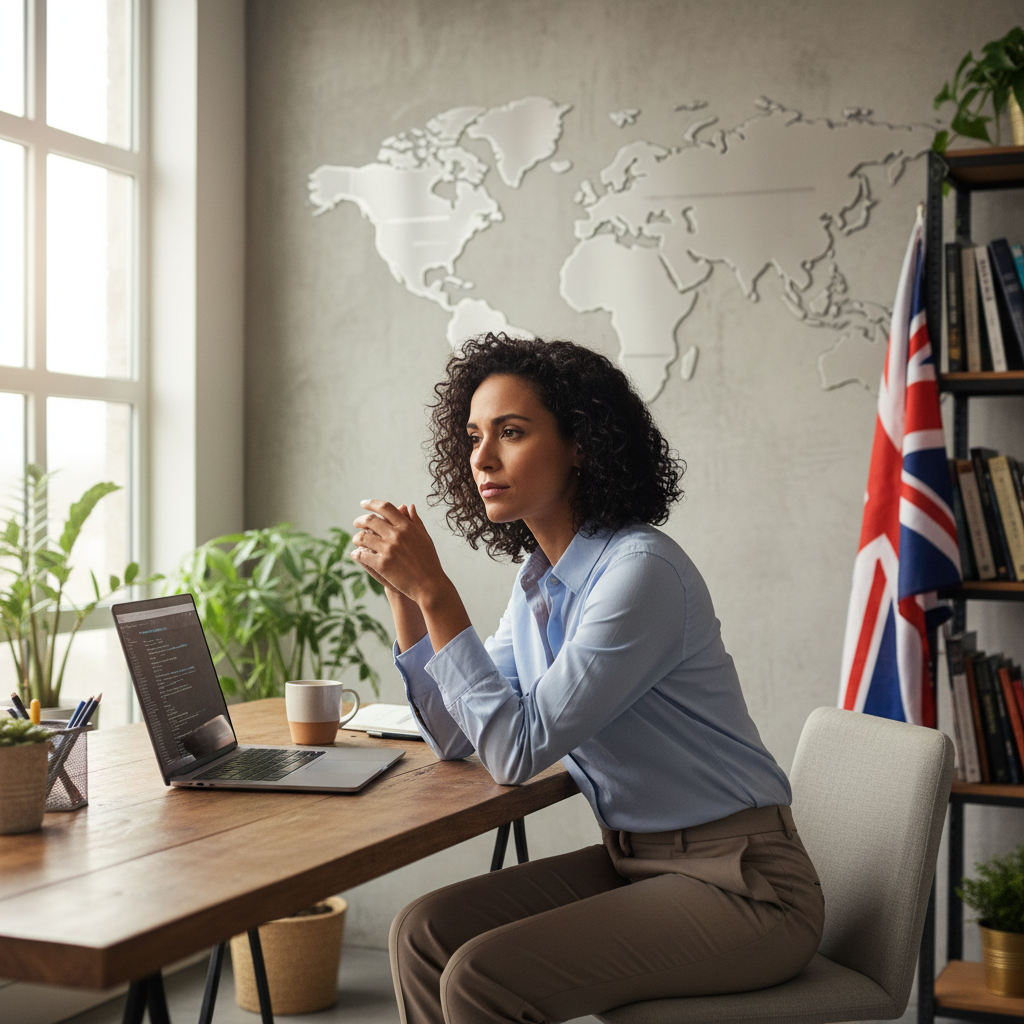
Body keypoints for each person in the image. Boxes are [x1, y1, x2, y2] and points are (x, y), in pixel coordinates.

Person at [351, 334, 823, 1024]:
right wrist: (407, 597)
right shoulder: (538, 581)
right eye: (475, 435)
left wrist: (441, 595)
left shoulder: (641, 573)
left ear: (581, 444)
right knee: (423, 934)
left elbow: (514, 752)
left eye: (511, 433)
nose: (481, 458)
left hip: (746, 886)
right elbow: (459, 736)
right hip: (633, 861)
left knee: (483, 978)